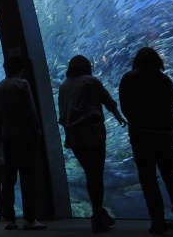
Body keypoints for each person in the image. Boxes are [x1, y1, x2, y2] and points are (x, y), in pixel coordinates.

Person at [119, 47, 173, 235]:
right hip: (165, 134)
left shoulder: (129, 78)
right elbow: (170, 104)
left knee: (148, 178)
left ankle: (157, 221)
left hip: (141, 135)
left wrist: (138, 122)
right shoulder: (164, 79)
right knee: (170, 175)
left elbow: (125, 106)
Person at [57, 55, 127, 233]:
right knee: (96, 174)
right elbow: (108, 101)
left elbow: (63, 113)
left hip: (74, 137)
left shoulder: (64, 86)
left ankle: (99, 213)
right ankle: (98, 216)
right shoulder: (91, 81)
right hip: (92, 134)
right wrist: (119, 117)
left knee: (90, 173)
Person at [0, 55, 46, 231]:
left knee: (9, 178)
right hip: (25, 136)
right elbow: (30, 109)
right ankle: (30, 219)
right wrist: (37, 130)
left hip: (8, 137)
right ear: (21, 68)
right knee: (28, 177)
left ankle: (9, 219)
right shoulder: (23, 84)